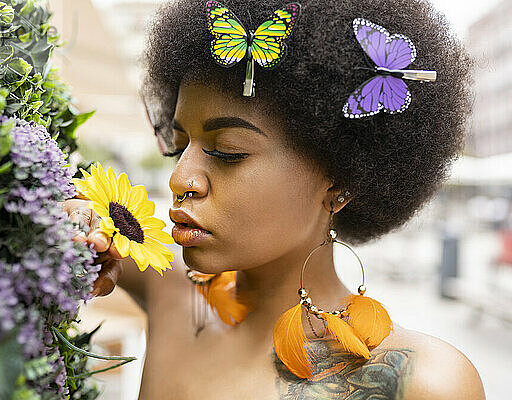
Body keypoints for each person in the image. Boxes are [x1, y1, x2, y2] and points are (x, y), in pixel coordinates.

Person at [63, 0, 486, 398]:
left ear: (340, 179)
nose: (180, 178)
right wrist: (76, 221)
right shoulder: (173, 293)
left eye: (228, 151)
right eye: (178, 145)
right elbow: (60, 212)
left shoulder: (423, 383)